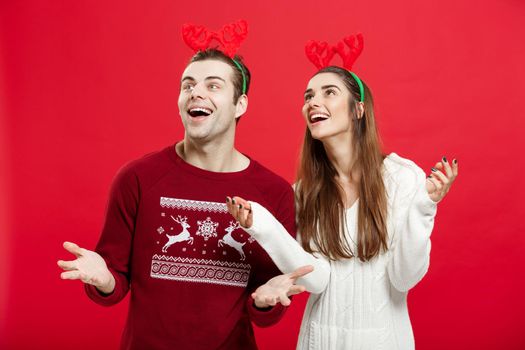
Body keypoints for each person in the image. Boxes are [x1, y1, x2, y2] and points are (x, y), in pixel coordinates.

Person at [57, 22, 310, 349]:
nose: (196, 92)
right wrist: (103, 278)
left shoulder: (273, 193)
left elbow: (265, 306)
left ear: (241, 104)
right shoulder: (137, 179)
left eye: (213, 85)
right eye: (188, 84)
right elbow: (113, 286)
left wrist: (266, 299)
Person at [226, 35, 458, 350]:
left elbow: (404, 279)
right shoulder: (304, 192)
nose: (312, 103)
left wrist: (424, 207)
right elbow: (317, 279)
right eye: (308, 96)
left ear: (358, 109)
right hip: (318, 341)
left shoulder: (402, 178)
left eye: (328, 93)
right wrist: (262, 225)